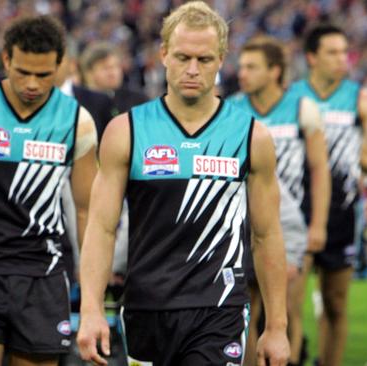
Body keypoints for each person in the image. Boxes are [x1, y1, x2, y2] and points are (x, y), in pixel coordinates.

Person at [76, 2, 289, 366]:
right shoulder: (127, 131)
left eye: (204, 60)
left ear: (222, 59)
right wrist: (91, 309)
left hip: (219, 308)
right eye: (182, 57)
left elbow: (267, 235)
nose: (192, 70)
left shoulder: (251, 137)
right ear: (163, 54)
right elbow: (102, 227)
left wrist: (277, 327)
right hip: (146, 306)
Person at [0, 15, 97, 366]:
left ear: (60, 66)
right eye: (23, 72)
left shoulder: (78, 121)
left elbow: (87, 209)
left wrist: (91, 288)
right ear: (5, 60)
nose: (32, 83)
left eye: (44, 75)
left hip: (42, 274)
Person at [228, 37, 331, 366]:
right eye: (241, 66)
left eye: (251, 67)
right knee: (243, 313)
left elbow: (319, 169)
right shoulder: (231, 109)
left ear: (274, 71)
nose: (242, 73)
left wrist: (317, 225)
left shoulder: (302, 108)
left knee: (286, 309)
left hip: (289, 226)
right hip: (241, 227)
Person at [288, 24, 367, 366]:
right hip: (295, 211)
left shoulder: (360, 98)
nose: (343, 59)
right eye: (333, 52)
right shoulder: (291, 97)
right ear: (312, 57)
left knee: (336, 304)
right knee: (289, 304)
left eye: (345, 52)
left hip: (341, 212)